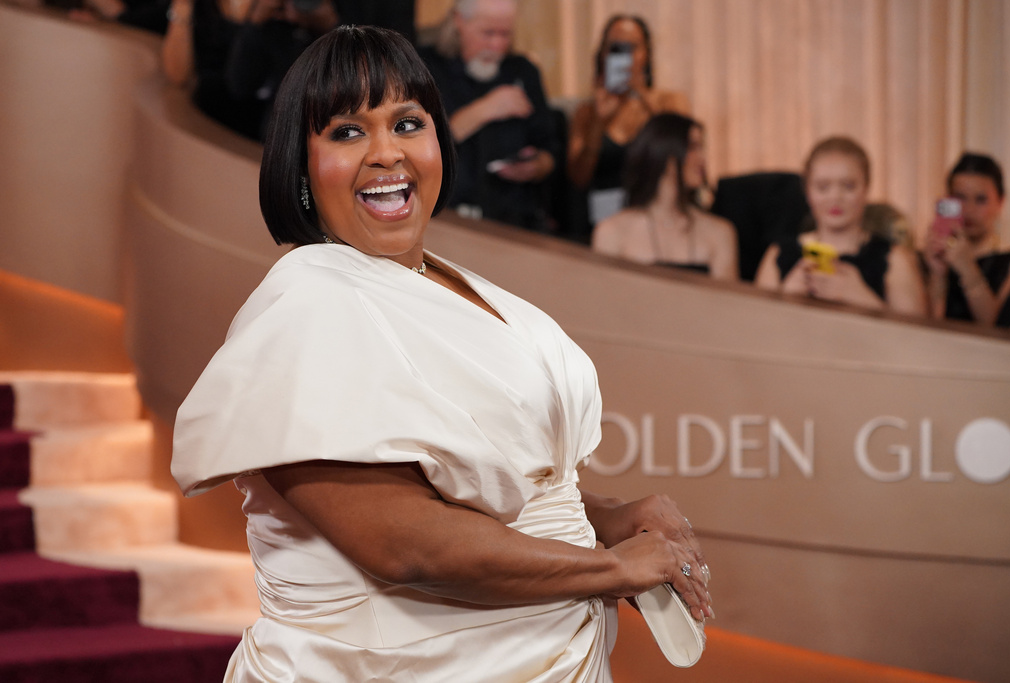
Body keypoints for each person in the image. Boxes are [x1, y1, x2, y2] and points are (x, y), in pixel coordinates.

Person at [171, 25, 711, 681]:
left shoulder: (439, 281)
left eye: (407, 124)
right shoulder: (303, 304)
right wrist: (612, 568)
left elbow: (474, 484)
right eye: (347, 132)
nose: (386, 153)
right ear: (300, 165)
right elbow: (406, 543)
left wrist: (605, 516)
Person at [418, 0, 560, 231]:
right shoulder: (425, 67)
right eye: (488, 33)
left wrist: (536, 166)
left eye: (505, 34)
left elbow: (550, 150)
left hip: (515, 219)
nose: (496, 45)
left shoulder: (523, 71)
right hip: (449, 218)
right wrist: (486, 109)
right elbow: (420, 142)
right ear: (459, 22)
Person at [755, 136, 927, 316]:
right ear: (807, 191)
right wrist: (786, 298)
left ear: (866, 188)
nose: (835, 197)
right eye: (823, 187)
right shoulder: (777, 255)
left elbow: (915, 331)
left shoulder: (895, 260)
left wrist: (863, 299)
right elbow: (755, 326)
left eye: (848, 186)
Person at [567, 14, 691, 229]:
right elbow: (578, 179)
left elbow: (685, 159)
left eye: (631, 48)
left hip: (659, 219)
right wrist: (598, 123)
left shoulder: (670, 102)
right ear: (602, 55)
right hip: (602, 219)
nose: (624, 57)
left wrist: (643, 96)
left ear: (646, 54)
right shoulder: (587, 112)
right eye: (615, 48)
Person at [162, 0, 338, 141]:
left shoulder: (284, 16)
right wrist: (183, 5)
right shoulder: (205, 9)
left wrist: (329, 23)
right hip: (205, 122)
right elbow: (178, 76)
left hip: (265, 133)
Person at [592, 114, 738, 281]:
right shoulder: (612, 232)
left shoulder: (720, 233)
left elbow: (725, 297)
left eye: (701, 147)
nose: (702, 158)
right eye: (692, 147)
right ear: (664, 152)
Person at [921, 153, 1010, 327]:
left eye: (981, 200)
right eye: (960, 198)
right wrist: (937, 275)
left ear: (1000, 203)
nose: (969, 209)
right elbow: (927, 328)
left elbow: (999, 328)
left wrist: (967, 268)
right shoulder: (932, 256)